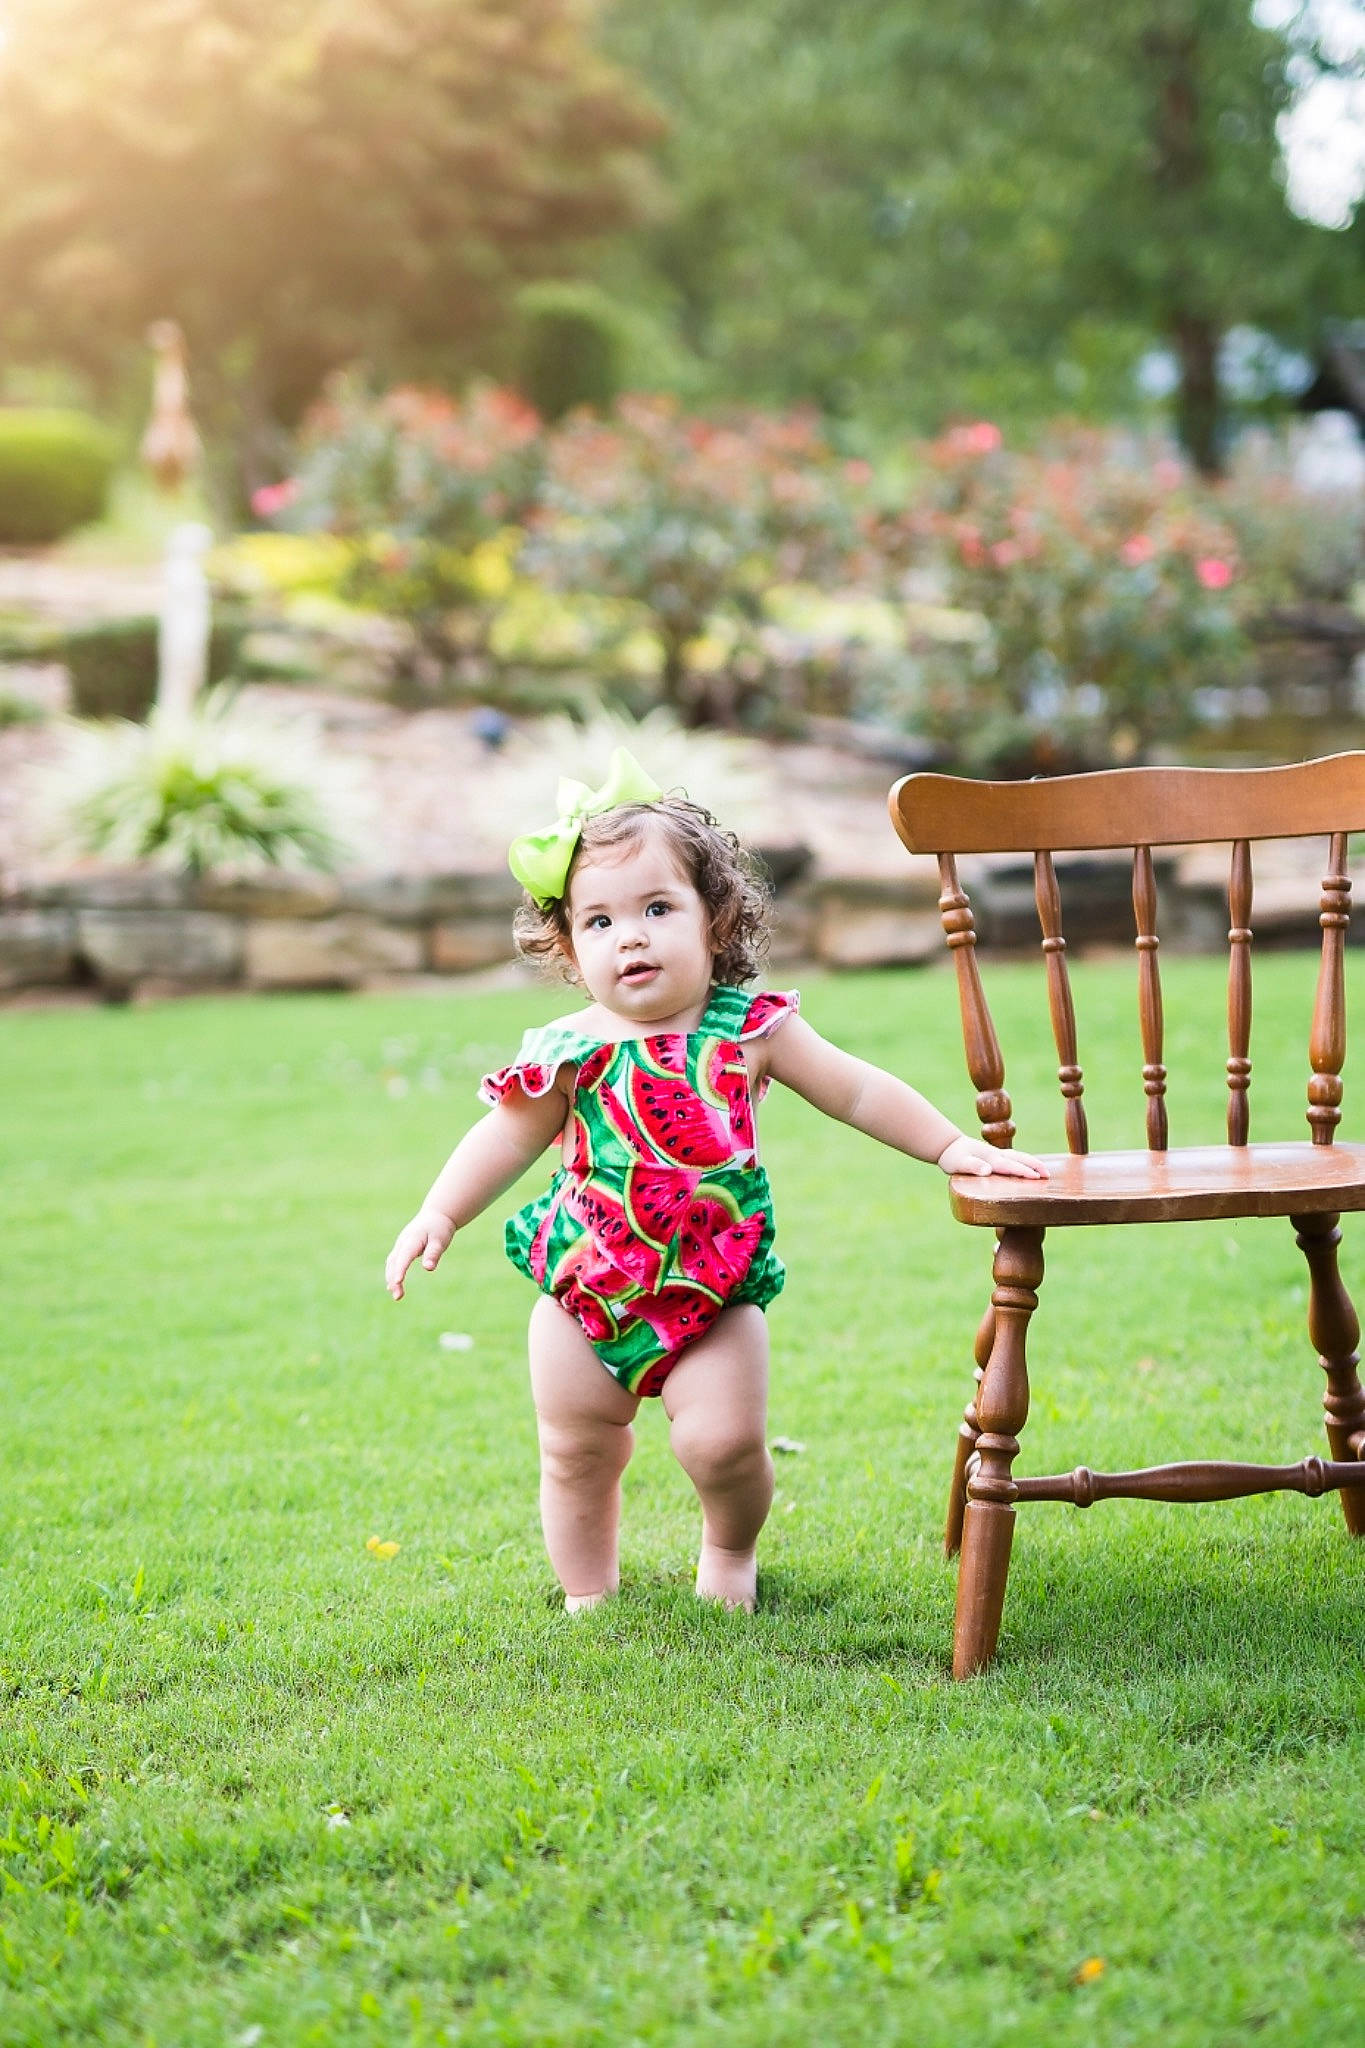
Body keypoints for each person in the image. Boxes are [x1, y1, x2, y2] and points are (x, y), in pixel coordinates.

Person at [385, 749, 1045, 1613]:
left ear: (715, 920)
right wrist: (438, 1211)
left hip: (714, 1287)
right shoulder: (567, 1051)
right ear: (570, 946)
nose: (630, 936)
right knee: (575, 1449)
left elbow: (854, 1090)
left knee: (723, 1445)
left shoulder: (750, 1029)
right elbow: (503, 1139)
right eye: (599, 921)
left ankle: (729, 1551)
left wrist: (950, 1146)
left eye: (657, 908)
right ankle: (587, 1592)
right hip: (584, 1286)